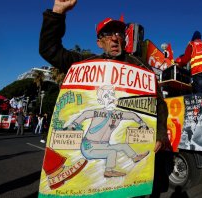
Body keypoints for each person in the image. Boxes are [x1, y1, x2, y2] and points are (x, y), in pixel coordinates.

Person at [39, 0, 170, 195]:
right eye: (108, 34)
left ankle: (129, 163)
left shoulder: (141, 67)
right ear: (99, 42)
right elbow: (49, 50)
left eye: (119, 33)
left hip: (129, 175)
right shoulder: (85, 63)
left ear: (124, 40)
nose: (115, 38)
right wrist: (57, 13)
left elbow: (159, 104)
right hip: (90, 154)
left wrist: (159, 134)